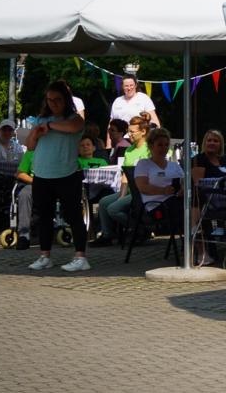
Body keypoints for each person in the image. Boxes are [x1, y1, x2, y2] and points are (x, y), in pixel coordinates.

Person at [24, 81, 89, 272]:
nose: (53, 104)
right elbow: (30, 145)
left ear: (65, 100)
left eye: (58, 100)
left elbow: (73, 128)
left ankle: (80, 257)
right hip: (42, 174)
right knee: (44, 216)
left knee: (74, 216)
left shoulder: (75, 118)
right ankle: (45, 256)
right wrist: (36, 132)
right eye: (50, 100)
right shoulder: (40, 119)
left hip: (67, 174)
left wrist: (50, 126)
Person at [98, 126, 183, 244]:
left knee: (193, 204)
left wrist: (182, 189)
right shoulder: (144, 164)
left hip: (174, 202)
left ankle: (197, 242)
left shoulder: (174, 166)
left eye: (166, 145)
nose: (163, 148)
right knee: (109, 206)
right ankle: (136, 230)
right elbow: (142, 187)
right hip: (155, 206)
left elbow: (184, 183)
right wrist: (163, 190)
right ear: (151, 145)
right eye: (160, 145)